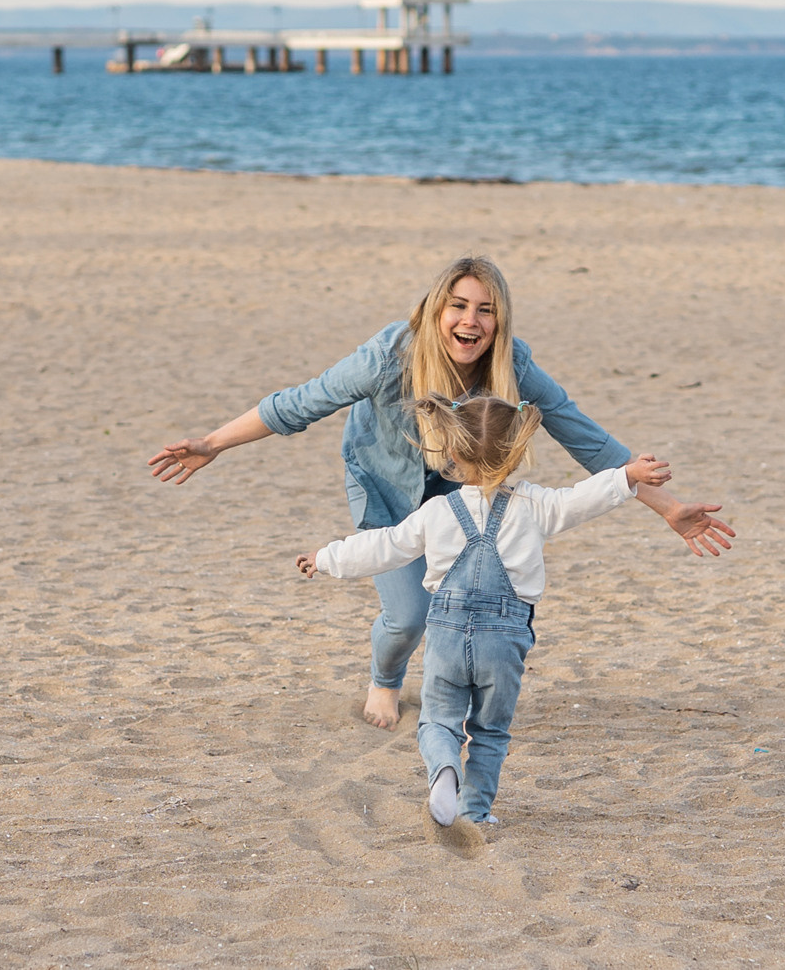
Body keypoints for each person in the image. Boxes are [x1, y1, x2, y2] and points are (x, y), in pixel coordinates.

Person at [147, 255, 731, 730]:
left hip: (475, 492)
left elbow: (585, 438)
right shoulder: (389, 356)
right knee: (407, 617)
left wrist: (668, 509)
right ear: (435, 309)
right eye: (458, 306)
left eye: (486, 310)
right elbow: (301, 403)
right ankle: (385, 679)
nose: (470, 322)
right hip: (384, 484)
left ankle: (459, 698)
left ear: (500, 321)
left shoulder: (511, 362)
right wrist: (215, 443)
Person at [297, 394, 670, 826]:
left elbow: (384, 546)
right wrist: (626, 475)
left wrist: (326, 557)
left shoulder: (436, 510)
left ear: (452, 451)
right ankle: (475, 811)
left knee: (439, 721)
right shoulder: (536, 506)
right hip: (504, 639)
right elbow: (582, 498)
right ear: (517, 452)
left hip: (446, 636)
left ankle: (444, 770)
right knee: (490, 731)